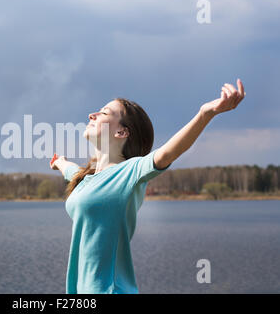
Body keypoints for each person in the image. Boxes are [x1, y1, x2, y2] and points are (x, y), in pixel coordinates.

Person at [50, 79, 246, 294]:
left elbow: (167, 154)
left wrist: (205, 114)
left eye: (104, 113)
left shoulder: (130, 172)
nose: (92, 115)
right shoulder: (84, 180)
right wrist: (60, 162)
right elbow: (71, 172)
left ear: (122, 132)